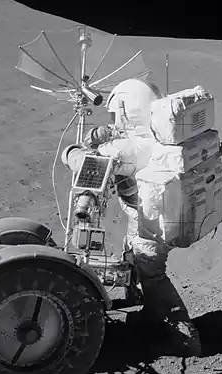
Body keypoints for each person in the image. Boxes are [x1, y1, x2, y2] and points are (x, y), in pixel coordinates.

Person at [70, 78, 202, 357]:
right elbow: (117, 141)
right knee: (135, 261)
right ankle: (151, 314)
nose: (116, 121)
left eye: (118, 115)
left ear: (128, 111)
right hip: (153, 217)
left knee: (152, 274)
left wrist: (72, 151)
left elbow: (90, 162)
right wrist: (103, 133)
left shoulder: (128, 149)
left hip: (150, 227)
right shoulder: (154, 137)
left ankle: (184, 337)